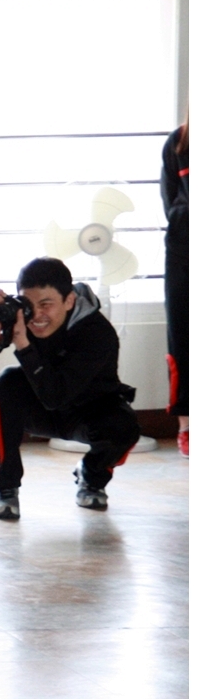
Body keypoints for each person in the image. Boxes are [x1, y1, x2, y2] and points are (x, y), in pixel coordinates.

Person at [0, 257, 140, 519]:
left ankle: (91, 475)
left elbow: (57, 395)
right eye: (29, 304)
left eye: (46, 305)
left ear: (69, 300)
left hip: (89, 411)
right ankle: (4, 487)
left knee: (125, 427)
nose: (37, 315)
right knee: (5, 386)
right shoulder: (22, 317)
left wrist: (22, 343)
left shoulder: (97, 333)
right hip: (41, 406)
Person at [161, 120, 188, 456]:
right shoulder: (179, 142)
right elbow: (170, 200)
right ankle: (186, 425)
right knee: (182, 338)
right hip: (184, 252)